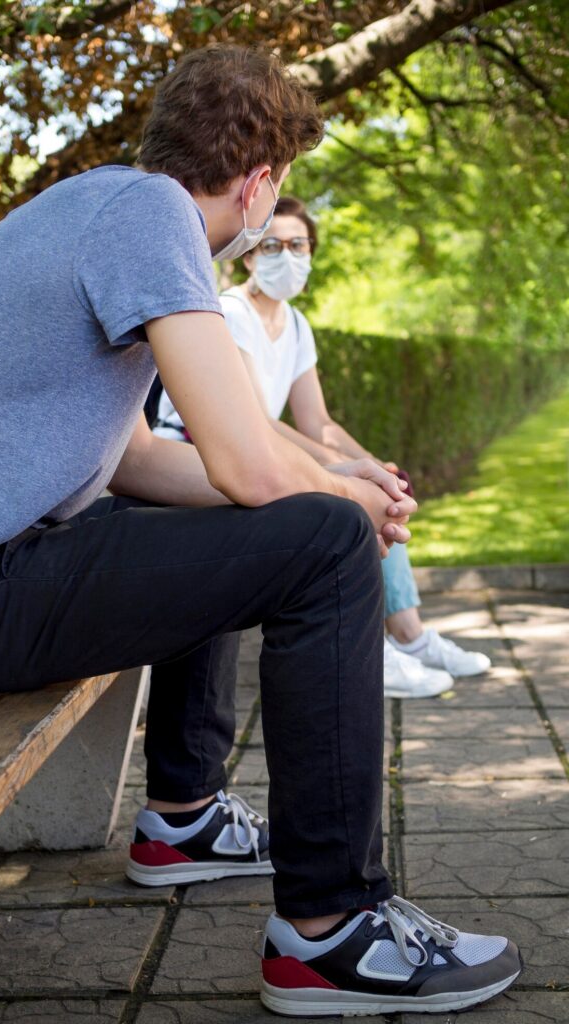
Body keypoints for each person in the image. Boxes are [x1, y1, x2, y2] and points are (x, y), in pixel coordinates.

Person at [0, 45, 520, 1017]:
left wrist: (335, 470)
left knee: (250, 519)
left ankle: (187, 817)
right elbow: (245, 458)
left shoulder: (107, 209)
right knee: (322, 548)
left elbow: (141, 461)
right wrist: (347, 504)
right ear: (258, 184)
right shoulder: (150, 218)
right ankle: (330, 933)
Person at [153, 195, 492, 699]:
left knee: (378, 488)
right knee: (351, 503)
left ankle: (410, 636)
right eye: (271, 245)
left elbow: (319, 422)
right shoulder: (230, 312)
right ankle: (375, 650)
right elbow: (255, 421)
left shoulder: (296, 325)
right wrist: (348, 474)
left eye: (297, 245)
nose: (285, 255)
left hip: (250, 449)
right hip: (196, 456)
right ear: (249, 255)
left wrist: (377, 466)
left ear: (311, 253)